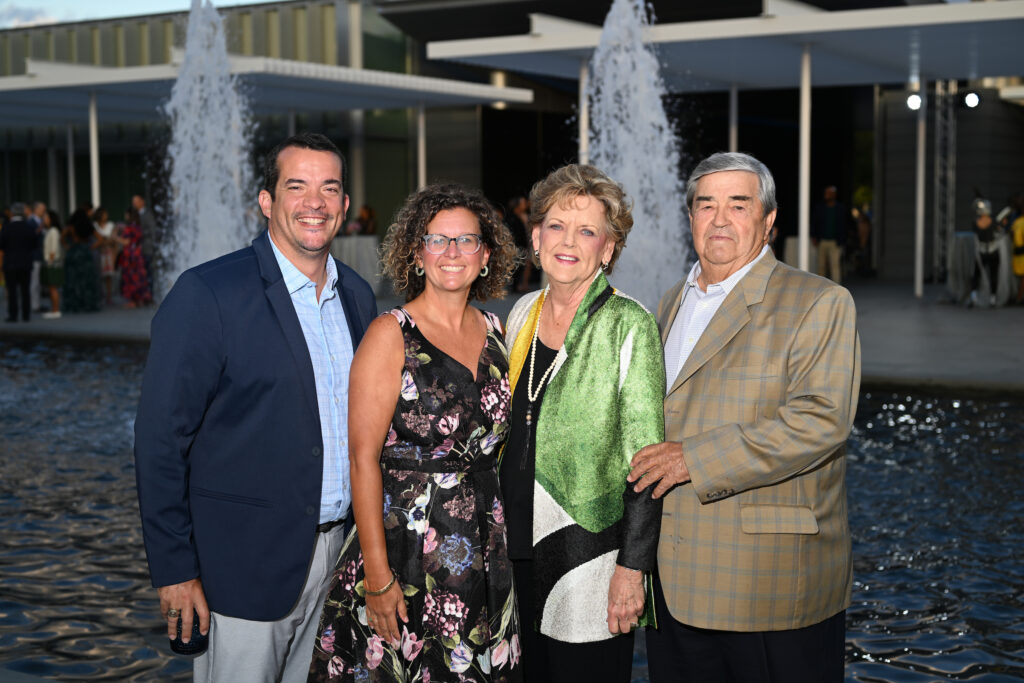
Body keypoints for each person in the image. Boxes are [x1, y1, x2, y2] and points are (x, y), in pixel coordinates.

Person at [135, 132, 377, 683]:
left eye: (329, 188)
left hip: (341, 561)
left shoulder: (359, 297)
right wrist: (175, 570)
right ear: (266, 201)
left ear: (344, 205)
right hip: (242, 569)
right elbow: (159, 443)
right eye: (297, 186)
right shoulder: (208, 295)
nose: (314, 202)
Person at [630, 152, 860, 683]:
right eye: (705, 204)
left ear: (769, 220)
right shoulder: (668, 304)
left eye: (739, 204)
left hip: (768, 584)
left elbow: (821, 421)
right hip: (673, 582)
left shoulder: (818, 302)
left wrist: (694, 458)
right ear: (689, 218)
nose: (719, 218)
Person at [308, 183, 522, 682]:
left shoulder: (497, 330)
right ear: (417, 253)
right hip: (406, 555)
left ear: (486, 254)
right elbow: (361, 459)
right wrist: (379, 579)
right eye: (437, 240)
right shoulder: (389, 335)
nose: (452, 252)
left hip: (485, 552)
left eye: (466, 240)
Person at [500, 164, 665, 682]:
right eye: (555, 226)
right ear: (535, 236)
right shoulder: (523, 311)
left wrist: (632, 569)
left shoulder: (629, 325)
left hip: (589, 560)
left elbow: (647, 462)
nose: (567, 242)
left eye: (587, 231)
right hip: (510, 554)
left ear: (608, 250)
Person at [0, 201, 39, 322]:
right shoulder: (29, 228)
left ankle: (13, 315)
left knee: (12, 291)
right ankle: (26, 315)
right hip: (25, 263)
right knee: (25, 290)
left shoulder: (7, 228)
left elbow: (1, 245)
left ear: (12, 213)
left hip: (11, 263)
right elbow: (34, 244)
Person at [62, 205, 101, 313]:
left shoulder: (71, 226)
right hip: (86, 252)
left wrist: (66, 246)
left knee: (73, 280)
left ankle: (74, 303)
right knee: (87, 279)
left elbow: (62, 237)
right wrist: (91, 247)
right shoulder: (88, 225)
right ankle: (88, 302)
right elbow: (100, 239)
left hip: (74, 252)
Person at [811, 185, 849, 284]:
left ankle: (837, 287)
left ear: (834, 195)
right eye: (825, 193)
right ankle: (821, 287)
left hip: (835, 242)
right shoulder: (820, 208)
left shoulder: (840, 208)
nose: (826, 195)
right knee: (821, 266)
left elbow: (845, 225)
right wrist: (814, 236)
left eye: (828, 193)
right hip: (822, 240)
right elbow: (814, 222)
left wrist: (843, 240)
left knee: (835, 266)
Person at [119, 208, 151, 308]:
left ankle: (133, 301)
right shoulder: (138, 227)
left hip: (129, 255)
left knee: (130, 277)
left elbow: (126, 242)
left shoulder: (129, 228)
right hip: (138, 254)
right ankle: (140, 299)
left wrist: (115, 238)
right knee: (139, 276)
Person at [40, 209, 65, 319]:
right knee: (51, 288)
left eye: (45, 218)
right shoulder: (50, 230)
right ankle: (54, 309)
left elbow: (53, 250)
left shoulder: (53, 231)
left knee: (53, 288)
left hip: (53, 264)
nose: (44, 220)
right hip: (52, 263)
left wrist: (50, 262)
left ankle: (56, 310)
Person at [93, 206, 119, 305]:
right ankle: (100, 295)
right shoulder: (94, 226)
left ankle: (108, 296)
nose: (106, 216)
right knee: (98, 274)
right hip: (98, 252)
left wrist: (115, 255)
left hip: (108, 253)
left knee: (108, 276)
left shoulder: (110, 225)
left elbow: (114, 241)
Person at [1010, 193, 1024, 305]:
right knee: (1021, 277)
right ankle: (1019, 297)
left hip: (1019, 252)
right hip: (1019, 253)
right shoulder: (1018, 221)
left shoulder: (1017, 222)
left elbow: (1012, 234)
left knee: (1022, 278)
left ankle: (1019, 297)